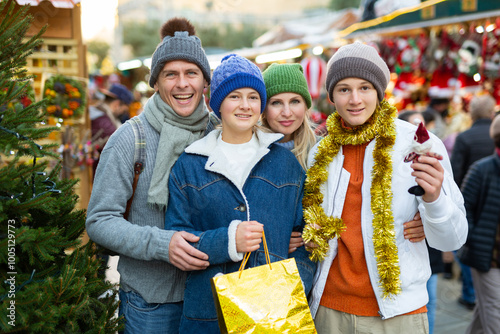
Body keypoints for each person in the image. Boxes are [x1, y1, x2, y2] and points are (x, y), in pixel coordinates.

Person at [303, 42, 468, 334]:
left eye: (365, 87)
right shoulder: (319, 154)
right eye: (344, 89)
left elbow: (452, 240)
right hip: (329, 310)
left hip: (397, 314)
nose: (355, 99)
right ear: (332, 97)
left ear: (379, 92)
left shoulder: (418, 146)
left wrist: (433, 201)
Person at [164, 54, 316, 333]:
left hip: (273, 314)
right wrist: (227, 241)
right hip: (209, 313)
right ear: (218, 104)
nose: (245, 106)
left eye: (253, 97)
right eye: (234, 96)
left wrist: (291, 291)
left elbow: (306, 240)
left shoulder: (286, 164)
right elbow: (178, 241)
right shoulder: (190, 164)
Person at [86, 18, 214, 333]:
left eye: (191, 73)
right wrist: (160, 244)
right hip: (151, 306)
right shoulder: (130, 138)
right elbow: (100, 220)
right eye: (171, 74)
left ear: (204, 81)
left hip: (213, 297)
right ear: (156, 82)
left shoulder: (220, 133)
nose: (182, 84)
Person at [261, 63, 427, 253]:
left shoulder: (321, 151)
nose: (287, 112)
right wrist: (274, 236)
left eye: (295, 101)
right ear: (263, 108)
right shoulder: (252, 152)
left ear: (306, 105)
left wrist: (420, 220)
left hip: (313, 268)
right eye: (276, 102)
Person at [398, 110, 443, 334]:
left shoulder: (433, 154)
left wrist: (432, 205)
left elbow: (448, 212)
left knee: (431, 298)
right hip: (401, 258)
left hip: (427, 253)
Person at [451, 94, 496, 310]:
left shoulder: (464, 137)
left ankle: (470, 293)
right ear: (491, 113)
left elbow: (455, 172)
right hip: (492, 201)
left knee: (470, 243)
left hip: (469, 198)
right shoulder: (493, 136)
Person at [458, 113, 500, 334]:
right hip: (488, 258)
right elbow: (464, 209)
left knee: (484, 314)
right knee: (494, 311)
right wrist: (472, 241)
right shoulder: (482, 169)